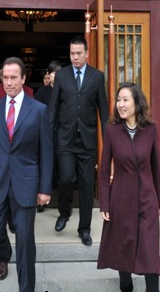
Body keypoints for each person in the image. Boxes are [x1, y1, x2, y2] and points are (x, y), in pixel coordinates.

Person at [0, 57, 53, 292]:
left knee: (24, 239)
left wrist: (44, 188)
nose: (8, 82)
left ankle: (26, 287)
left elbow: (46, 152)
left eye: (13, 77)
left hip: (27, 183)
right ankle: (3, 254)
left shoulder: (39, 110)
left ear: (22, 79)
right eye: (5, 77)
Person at [97, 82, 160, 292]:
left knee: (150, 249)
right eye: (118, 100)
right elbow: (104, 168)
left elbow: (156, 166)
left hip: (147, 198)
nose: (120, 104)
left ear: (137, 103)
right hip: (120, 198)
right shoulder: (112, 130)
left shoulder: (151, 130)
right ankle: (126, 285)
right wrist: (104, 204)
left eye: (125, 100)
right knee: (123, 246)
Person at [48, 35, 109, 246]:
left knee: (86, 186)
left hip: (87, 141)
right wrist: (47, 136)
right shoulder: (62, 76)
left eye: (78, 54)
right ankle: (64, 212)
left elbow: (103, 110)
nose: (75, 57)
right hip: (65, 139)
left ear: (86, 54)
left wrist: (109, 140)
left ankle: (84, 228)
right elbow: (53, 108)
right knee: (65, 179)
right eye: (72, 53)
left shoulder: (97, 77)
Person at [35, 60, 62, 212]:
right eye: (53, 73)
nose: (56, 76)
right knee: (44, 164)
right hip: (45, 132)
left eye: (59, 73)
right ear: (48, 75)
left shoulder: (65, 90)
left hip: (62, 133)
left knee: (61, 167)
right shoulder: (42, 91)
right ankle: (40, 202)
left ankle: (61, 202)